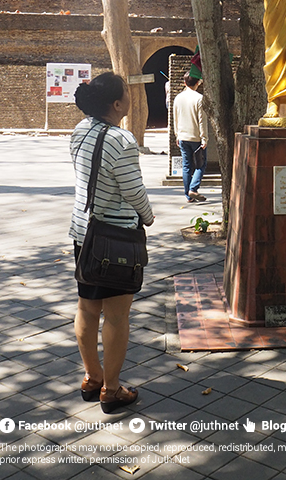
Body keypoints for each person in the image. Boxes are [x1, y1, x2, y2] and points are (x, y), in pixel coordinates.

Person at [70, 72, 154, 414]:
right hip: (115, 238)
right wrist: (148, 217)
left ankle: (92, 379)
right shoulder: (122, 139)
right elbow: (133, 190)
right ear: (117, 104)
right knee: (117, 316)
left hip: (83, 233)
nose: (130, 98)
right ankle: (112, 389)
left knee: (87, 308)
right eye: (127, 94)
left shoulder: (80, 131)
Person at [173, 72, 208, 202]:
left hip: (182, 136)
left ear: (184, 83)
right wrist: (204, 138)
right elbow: (201, 120)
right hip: (196, 138)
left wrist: (177, 134)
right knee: (201, 164)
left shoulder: (178, 98)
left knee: (186, 166)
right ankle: (193, 188)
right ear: (198, 82)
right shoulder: (199, 98)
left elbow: (175, 118)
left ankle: (188, 195)